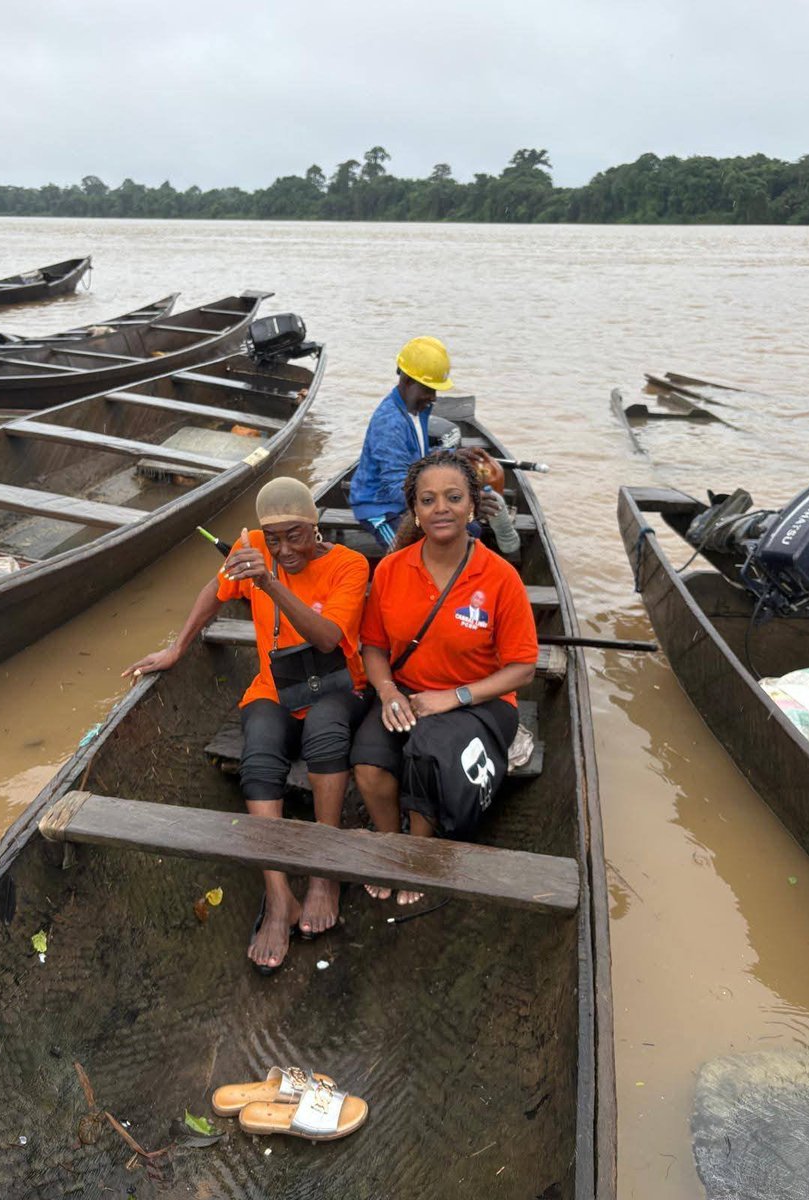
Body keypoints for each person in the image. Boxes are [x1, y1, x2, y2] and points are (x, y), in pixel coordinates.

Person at [123, 478, 370, 973]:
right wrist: (177, 648)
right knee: (258, 755)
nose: (284, 549)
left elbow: (327, 639)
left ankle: (324, 874)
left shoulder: (350, 564)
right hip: (276, 687)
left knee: (325, 734)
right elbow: (214, 591)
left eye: (295, 536)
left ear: (315, 526)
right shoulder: (251, 547)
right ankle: (278, 895)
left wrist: (269, 580)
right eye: (273, 539)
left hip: (337, 686)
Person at [350, 449, 538, 903]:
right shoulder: (392, 569)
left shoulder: (500, 577)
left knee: (427, 754)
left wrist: (454, 697)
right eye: (428, 499)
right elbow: (373, 646)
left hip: (481, 703)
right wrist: (387, 691)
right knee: (368, 763)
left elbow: (523, 668)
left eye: (453, 497)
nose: (441, 509)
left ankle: (419, 854)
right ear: (414, 509)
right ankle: (391, 843)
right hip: (407, 693)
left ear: (472, 505)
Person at [349, 336, 454, 547]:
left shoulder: (418, 409)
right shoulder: (390, 423)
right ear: (407, 382)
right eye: (428, 389)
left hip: (408, 497)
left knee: (468, 531)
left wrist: (452, 458)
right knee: (407, 553)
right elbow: (396, 487)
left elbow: (416, 456)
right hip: (382, 507)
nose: (433, 397)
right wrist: (443, 499)